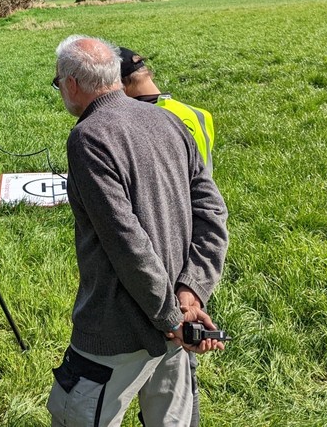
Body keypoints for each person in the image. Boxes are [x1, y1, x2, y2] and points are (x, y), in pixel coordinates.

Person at [47, 35, 229, 427]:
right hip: (177, 326)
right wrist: (190, 292)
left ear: (73, 83)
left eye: (58, 81)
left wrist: (170, 314)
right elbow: (213, 211)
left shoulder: (89, 136)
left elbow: (124, 239)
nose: (60, 89)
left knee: (73, 417)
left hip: (117, 331)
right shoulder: (169, 120)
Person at [118, 46, 216, 427]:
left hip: (160, 248)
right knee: (184, 356)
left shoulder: (144, 121)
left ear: (121, 85)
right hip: (195, 244)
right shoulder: (194, 114)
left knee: (168, 354)